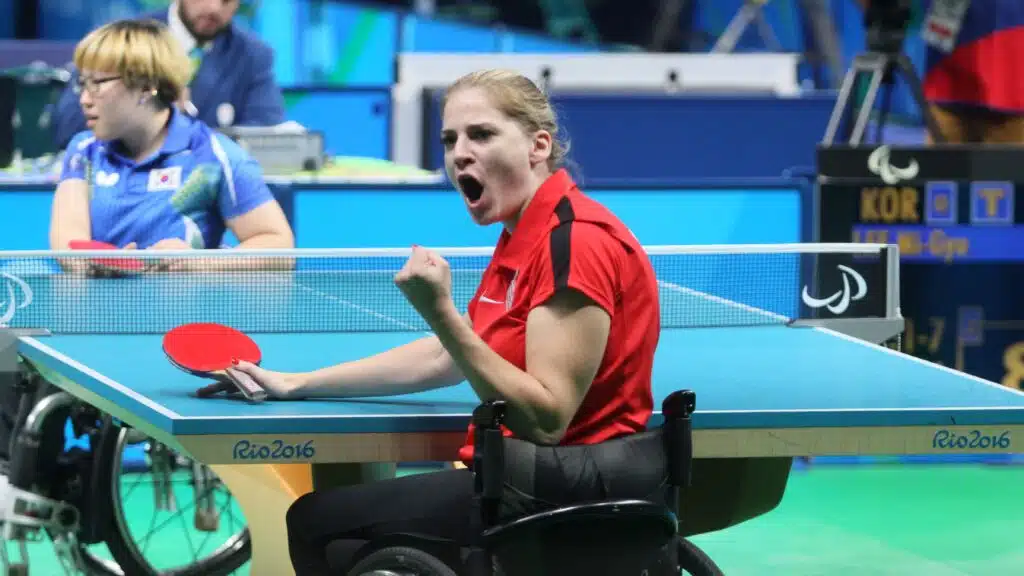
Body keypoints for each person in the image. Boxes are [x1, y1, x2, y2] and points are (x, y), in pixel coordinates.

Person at [229, 69, 665, 575]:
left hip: (561, 494)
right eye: (449, 139)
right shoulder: (525, 234)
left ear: (538, 145)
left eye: (481, 134)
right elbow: (446, 356)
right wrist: (296, 383)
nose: (460, 153)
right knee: (344, 539)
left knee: (316, 523)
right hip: (534, 478)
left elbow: (546, 420)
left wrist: (439, 312)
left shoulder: (574, 242)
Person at [48, 18, 294, 268]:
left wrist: (200, 263)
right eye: (83, 84)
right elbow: (69, 244)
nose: (84, 99)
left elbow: (279, 246)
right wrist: (96, 266)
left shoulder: (212, 155)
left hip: (188, 294)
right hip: (98, 294)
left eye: (97, 83)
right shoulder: (85, 151)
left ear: (145, 87)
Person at [52, 0, 286, 150]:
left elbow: (264, 136)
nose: (214, 8)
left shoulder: (253, 55)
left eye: (226, 0)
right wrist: (144, 121)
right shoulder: (122, 41)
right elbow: (68, 127)